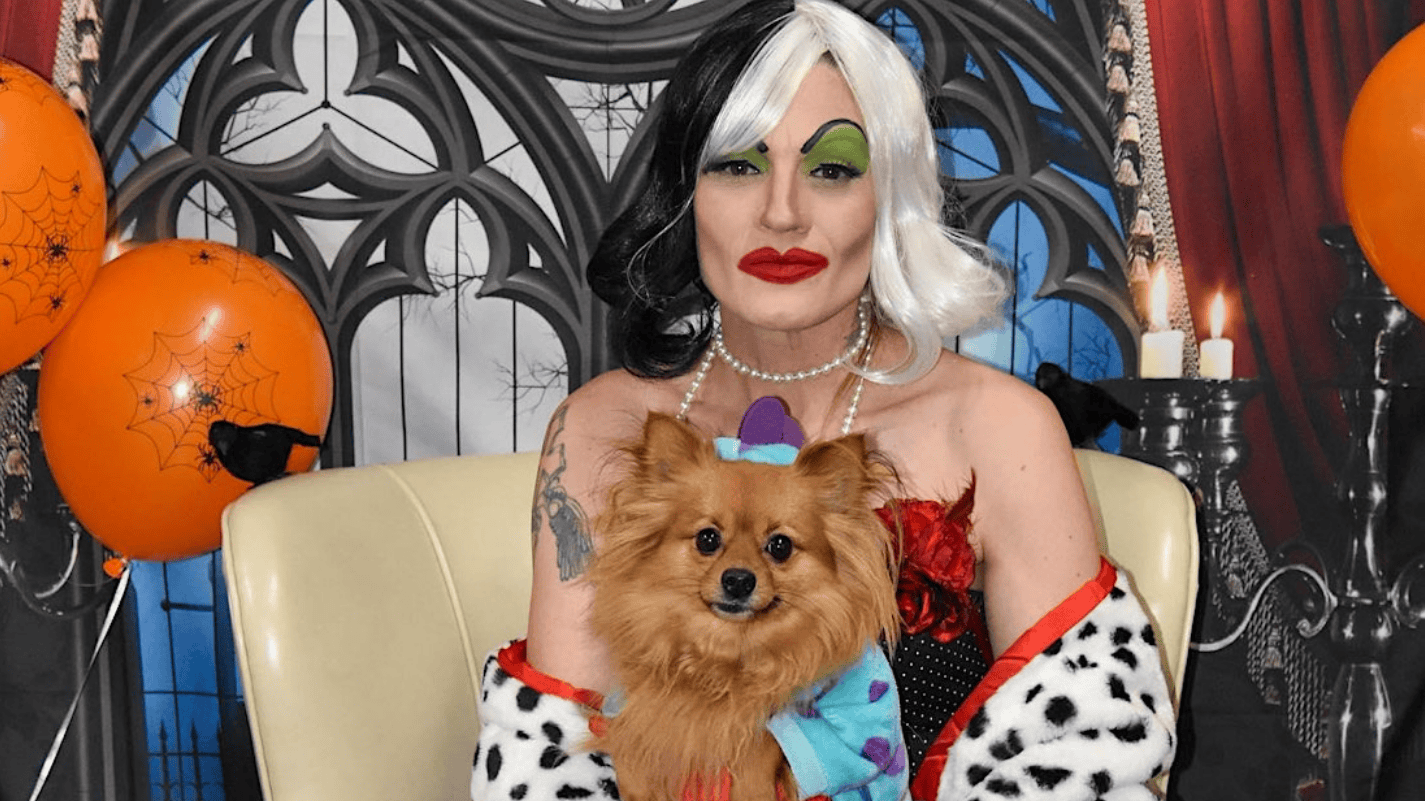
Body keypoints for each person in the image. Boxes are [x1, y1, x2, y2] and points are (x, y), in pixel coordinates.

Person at [473, 2, 1176, 799]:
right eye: (737, 164)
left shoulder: (995, 425)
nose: (781, 212)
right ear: (684, 195)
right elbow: (551, 761)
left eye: (832, 168)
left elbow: (1077, 763)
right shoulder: (604, 424)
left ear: (890, 199)